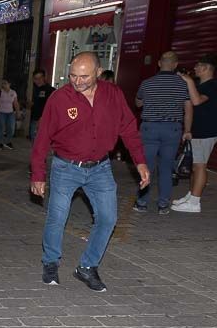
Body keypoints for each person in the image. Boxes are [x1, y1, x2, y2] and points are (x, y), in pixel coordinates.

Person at [31, 52, 148, 292]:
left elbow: (128, 128)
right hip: (66, 167)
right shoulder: (59, 98)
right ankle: (50, 262)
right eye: (73, 75)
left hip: (100, 168)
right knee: (57, 217)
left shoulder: (113, 94)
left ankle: (87, 267)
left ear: (98, 71)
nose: (77, 81)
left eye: (84, 76)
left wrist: (140, 161)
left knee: (108, 218)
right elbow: (42, 138)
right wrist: (38, 174)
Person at [132, 51, 191, 213]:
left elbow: (138, 103)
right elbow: (188, 108)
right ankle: (163, 204)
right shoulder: (182, 84)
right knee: (166, 167)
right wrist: (187, 130)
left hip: (150, 128)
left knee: (147, 166)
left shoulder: (148, 83)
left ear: (159, 63)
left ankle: (142, 203)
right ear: (175, 64)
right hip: (172, 129)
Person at [172, 54, 217, 213]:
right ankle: (191, 195)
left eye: (198, 65)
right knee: (194, 166)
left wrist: (188, 81)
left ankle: (195, 202)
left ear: (206, 67)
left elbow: (196, 101)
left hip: (206, 132)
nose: (194, 68)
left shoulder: (212, 85)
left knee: (200, 166)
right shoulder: (201, 84)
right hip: (198, 132)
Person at [28, 70, 54, 144]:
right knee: (34, 140)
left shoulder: (50, 90)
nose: (38, 80)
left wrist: (43, 117)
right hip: (35, 118)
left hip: (43, 120)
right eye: (36, 78)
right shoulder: (35, 89)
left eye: (40, 78)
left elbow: (51, 106)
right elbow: (39, 103)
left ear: (44, 78)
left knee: (40, 142)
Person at [0, 79, 20, 149]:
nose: (3, 85)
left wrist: (18, 112)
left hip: (10, 113)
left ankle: (8, 142)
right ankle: (0, 143)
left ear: (9, 84)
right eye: (3, 83)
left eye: (5, 83)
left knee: (11, 128)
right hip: (1, 112)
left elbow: (15, 103)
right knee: (1, 128)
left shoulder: (13, 92)